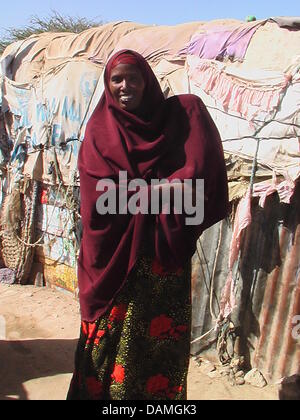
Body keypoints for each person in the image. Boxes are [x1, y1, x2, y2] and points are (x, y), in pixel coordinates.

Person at [67, 49, 229, 400]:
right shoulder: (99, 134)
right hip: (115, 269)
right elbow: (100, 203)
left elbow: (198, 189)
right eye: (117, 79)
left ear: (148, 82)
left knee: (158, 353)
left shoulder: (178, 122)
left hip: (162, 267)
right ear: (108, 86)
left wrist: (140, 193)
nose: (126, 86)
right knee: (106, 352)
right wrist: (166, 190)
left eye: (133, 78)